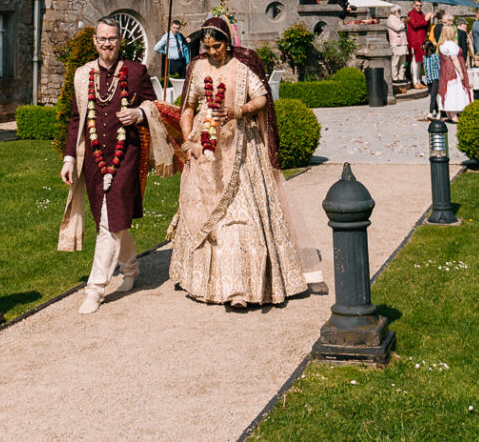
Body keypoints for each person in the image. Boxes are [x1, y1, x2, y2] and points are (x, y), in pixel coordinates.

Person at [171, 16, 323, 309]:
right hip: (204, 150)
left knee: (242, 217)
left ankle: (241, 288)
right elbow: (187, 106)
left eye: (217, 46)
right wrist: (189, 140)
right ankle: (201, 280)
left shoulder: (241, 69)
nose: (212, 52)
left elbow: (263, 98)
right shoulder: (197, 67)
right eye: (207, 46)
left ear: (228, 44)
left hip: (241, 149)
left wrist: (237, 111)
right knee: (202, 212)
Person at [59, 18, 172, 314]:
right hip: (94, 161)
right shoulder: (83, 76)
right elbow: (75, 120)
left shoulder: (136, 72)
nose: (107, 43)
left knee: (111, 221)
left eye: (112, 38)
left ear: (120, 41)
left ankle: (95, 289)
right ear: (95, 41)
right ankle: (131, 269)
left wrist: (137, 113)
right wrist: (69, 157)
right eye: (102, 38)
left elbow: (154, 107)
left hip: (127, 156)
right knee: (108, 221)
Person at [435, 36, 470, 118]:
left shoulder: (442, 44)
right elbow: (454, 58)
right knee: (454, 90)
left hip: (445, 69)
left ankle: (450, 114)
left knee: (447, 90)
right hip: (452, 69)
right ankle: (453, 115)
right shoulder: (451, 44)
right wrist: (461, 72)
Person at [155, 18, 190, 83]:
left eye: (177, 28)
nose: (176, 30)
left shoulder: (180, 35)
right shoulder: (167, 36)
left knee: (183, 81)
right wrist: (165, 52)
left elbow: (184, 47)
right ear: (171, 27)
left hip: (182, 62)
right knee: (173, 81)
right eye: (174, 28)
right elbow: (156, 48)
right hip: (173, 63)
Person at [404, 2, 429, 85]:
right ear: (413, 5)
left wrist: (428, 20)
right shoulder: (411, 14)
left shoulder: (422, 14)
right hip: (414, 41)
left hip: (421, 40)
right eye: (417, 5)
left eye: (420, 5)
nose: (419, 7)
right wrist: (425, 20)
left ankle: (418, 80)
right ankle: (415, 81)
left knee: (420, 61)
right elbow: (414, 25)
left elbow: (425, 25)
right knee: (415, 61)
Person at [386, 7, 409, 89]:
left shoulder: (398, 18)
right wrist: (404, 23)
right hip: (396, 42)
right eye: (398, 11)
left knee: (403, 61)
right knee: (395, 61)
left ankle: (401, 76)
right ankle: (394, 77)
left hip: (403, 42)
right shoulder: (390, 19)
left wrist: (403, 22)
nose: (399, 12)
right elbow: (397, 28)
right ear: (394, 11)